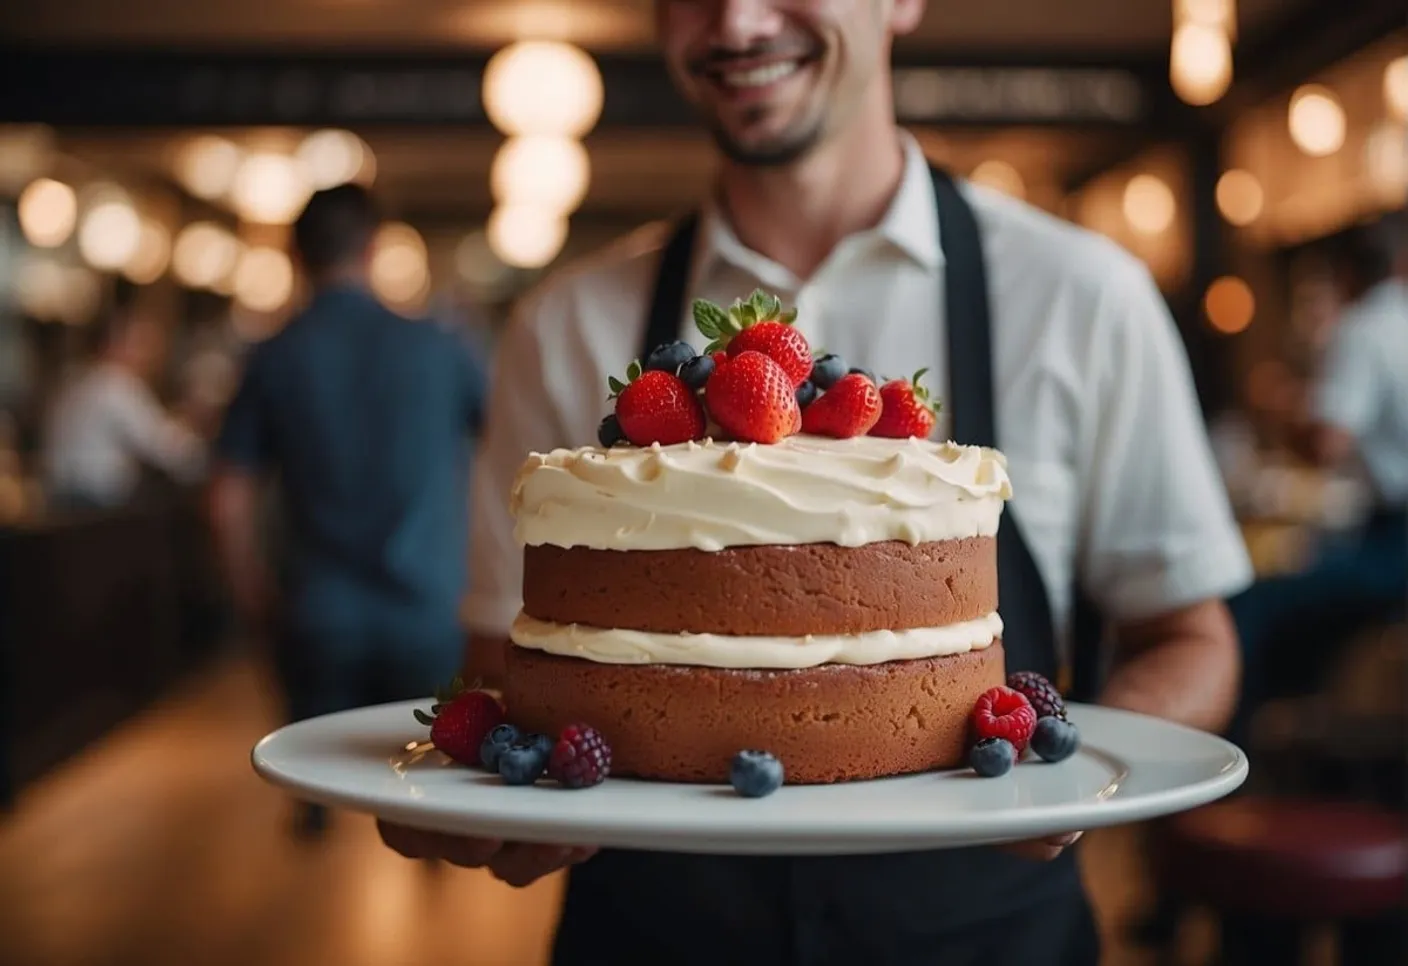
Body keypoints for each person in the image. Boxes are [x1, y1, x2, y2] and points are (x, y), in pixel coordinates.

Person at [379, 2, 1252, 962]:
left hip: (990, 937)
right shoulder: (564, 325)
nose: (738, 21)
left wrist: (1070, 765)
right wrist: (477, 793)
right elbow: (504, 659)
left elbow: (1191, 636)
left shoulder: (1083, 296)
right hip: (649, 934)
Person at [209, 183, 487, 836]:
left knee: (315, 803)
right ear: (374, 249)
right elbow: (511, 456)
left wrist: (252, 593)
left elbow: (225, 498)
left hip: (317, 607)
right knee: (431, 805)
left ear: (294, 256)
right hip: (429, 603)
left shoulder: (272, 356)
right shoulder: (441, 348)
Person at [1230, 211, 1408, 736]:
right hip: (1385, 532)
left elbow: (1327, 443)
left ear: (1346, 274)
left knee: (1251, 607)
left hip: (1397, 544)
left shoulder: (1364, 327)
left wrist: (1279, 407)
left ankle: (1240, 764)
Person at [42, 303, 207, 510]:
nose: (148, 354)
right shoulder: (115, 384)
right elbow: (164, 446)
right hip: (95, 507)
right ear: (114, 343)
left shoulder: (74, 377)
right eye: (139, 343)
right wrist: (208, 461)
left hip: (59, 500)